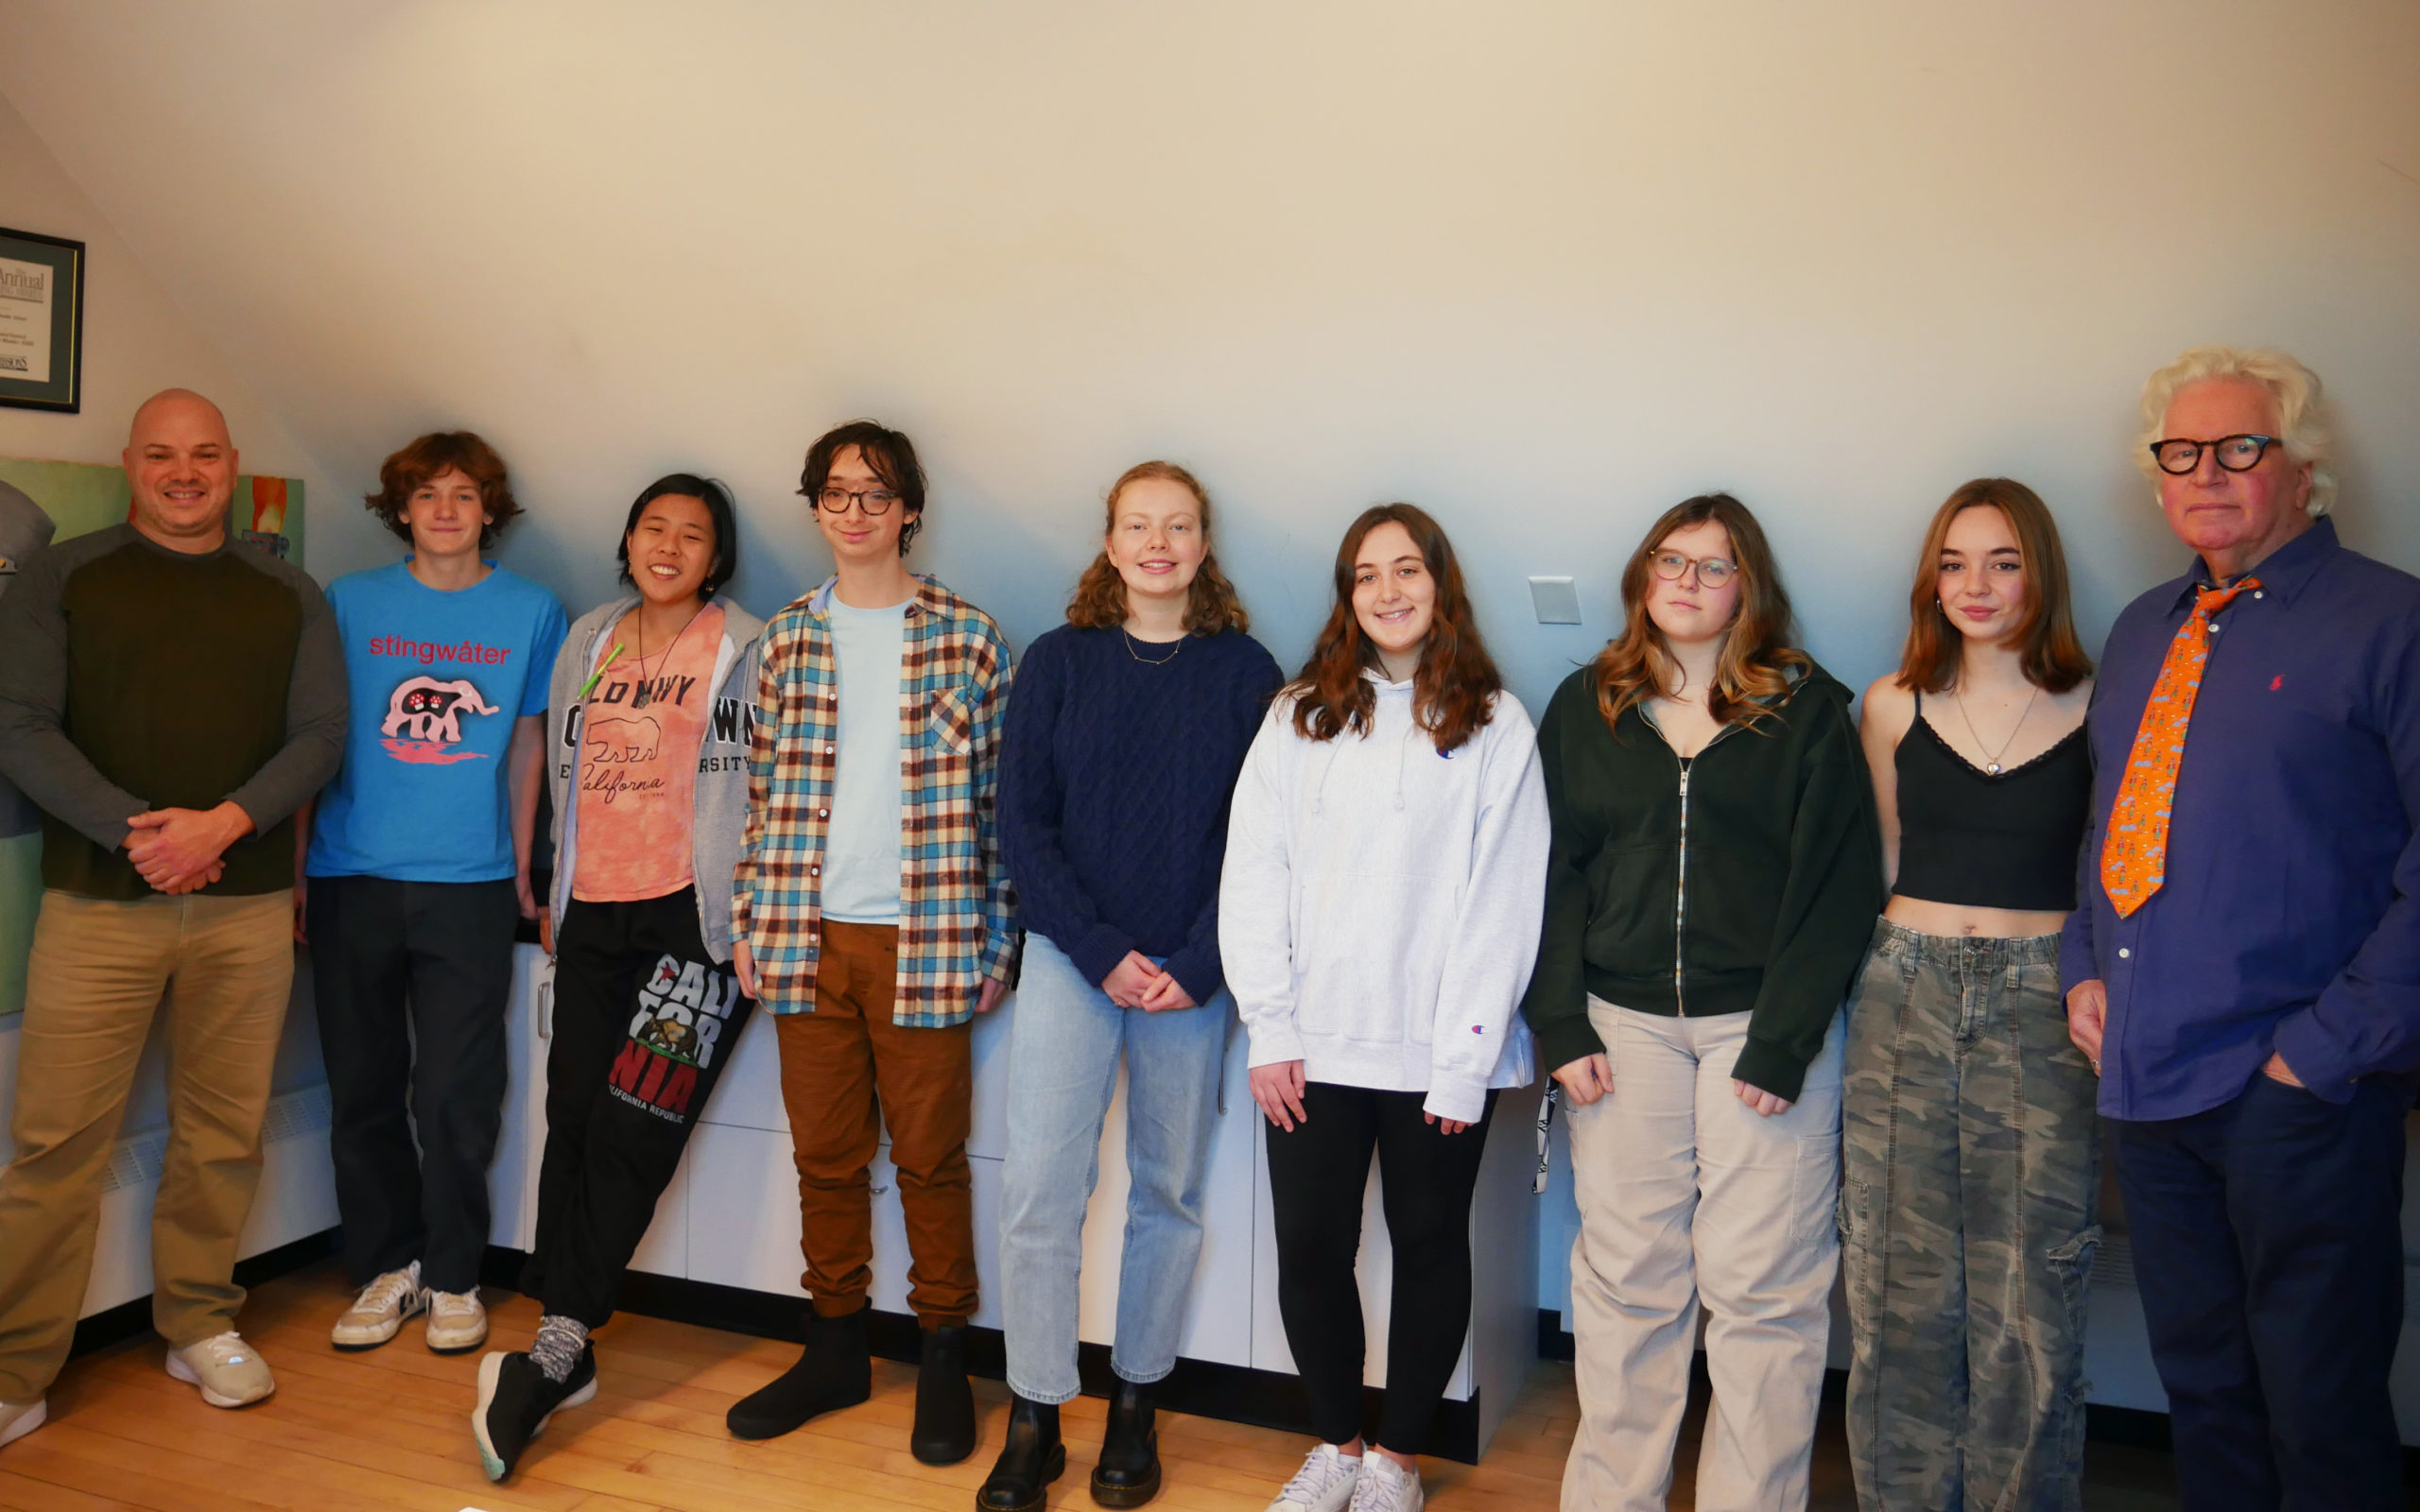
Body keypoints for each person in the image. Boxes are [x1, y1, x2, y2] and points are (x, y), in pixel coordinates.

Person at [2064, 346, 2420, 1510]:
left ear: (2301, 468)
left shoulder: (2389, 621)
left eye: (2239, 447)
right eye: (2182, 453)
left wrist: (2317, 1053)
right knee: (2204, 1390)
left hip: (2302, 1092)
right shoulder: (2138, 631)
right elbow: (2109, 821)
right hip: (2147, 1076)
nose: (2206, 473)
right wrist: (2083, 966)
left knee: (2318, 1407)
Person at [1522, 492, 1880, 1512]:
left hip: (1759, 1031)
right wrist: (1559, 1022)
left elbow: (1836, 887)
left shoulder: (1805, 712)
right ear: (1642, 577)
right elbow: (1547, 876)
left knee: (1763, 1292)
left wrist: (1782, 1043)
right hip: (1617, 1028)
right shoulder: (1584, 706)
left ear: (1746, 588)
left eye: (1711, 566)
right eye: (1668, 561)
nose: (1685, 582)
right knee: (1626, 1285)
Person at [0, 389, 344, 1446]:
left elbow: (321, 734)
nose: (183, 472)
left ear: (232, 464)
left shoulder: (287, 590)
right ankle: (17, 1370)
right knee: (55, 1144)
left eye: (202, 454)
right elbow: (19, 724)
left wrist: (224, 826)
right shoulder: (65, 575)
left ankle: (199, 1323)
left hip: (242, 912)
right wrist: (141, 834)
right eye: (162, 454)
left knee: (221, 1135)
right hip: (98, 904)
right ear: (129, 463)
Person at [1222, 504, 1547, 1512]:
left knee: (1428, 1247)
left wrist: (1463, 1059)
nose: (1388, 591)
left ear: (1440, 586)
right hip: (1312, 1047)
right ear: (1346, 595)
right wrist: (1268, 1026)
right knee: (1311, 1251)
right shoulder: (1297, 714)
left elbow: (1505, 899)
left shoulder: (1495, 720)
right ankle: (1338, 1448)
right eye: (1366, 574)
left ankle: (1398, 1464)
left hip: (1437, 1055)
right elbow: (1252, 874)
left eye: (1407, 570)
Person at [982, 462, 1282, 1512]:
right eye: (1138, 525)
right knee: (1040, 1195)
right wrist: (1102, 947)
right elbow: (1024, 825)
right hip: (1074, 958)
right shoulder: (1058, 663)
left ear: (1204, 546)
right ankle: (1033, 1414)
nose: (1159, 542)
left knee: (1168, 1192)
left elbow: (1264, 841)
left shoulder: (1247, 673)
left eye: (1180, 526)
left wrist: (1197, 963)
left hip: (1193, 976)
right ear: (1108, 545)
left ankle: (1135, 1406)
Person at [724, 421, 1018, 1467]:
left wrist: (998, 940)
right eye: (837, 494)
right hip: (805, 938)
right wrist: (751, 919)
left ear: (910, 511)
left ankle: (945, 1353)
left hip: (928, 939)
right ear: (814, 508)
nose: (856, 512)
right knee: (825, 1158)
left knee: (932, 1158)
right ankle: (835, 1344)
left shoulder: (971, 640)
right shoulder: (787, 639)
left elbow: (1002, 808)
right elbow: (763, 798)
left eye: (876, 494)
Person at [471, 474, 765, 1480]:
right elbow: (561, 766)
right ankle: (566, 1334)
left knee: (641, 1118)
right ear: (628, 540)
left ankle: (556, 1342)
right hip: (592, 907)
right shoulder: (591, 635)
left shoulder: (745, 644)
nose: (670, 546)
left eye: (692, 535)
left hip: (696, 918)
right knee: (577, 1113)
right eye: (653, 528)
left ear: (715, 558)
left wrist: (751, 912)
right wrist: (551, 881)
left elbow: (764, 781)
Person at [1843, 479, 2098, 1511]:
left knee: (2031, 1282)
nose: (1975, 584)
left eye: (2002, 561)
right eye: (1954, 562)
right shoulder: (1889, 702)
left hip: (2044, 1001)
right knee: (1895, 1278)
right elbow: (1883, 862)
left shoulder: (2101, 702)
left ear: (2040, 571)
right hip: (1904, 990)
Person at [304, 432, 565, 1358]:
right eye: (426, 494)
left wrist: (525, 866)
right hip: (351, 875)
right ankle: (386, 1266)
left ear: (490, 508)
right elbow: (319, 738)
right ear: (401, 510)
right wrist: (301, 868)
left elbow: (528, 744)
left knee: (457, 1091)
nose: (446, 509)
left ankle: (455, 1272)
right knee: (363, 1086)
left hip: (472, 882)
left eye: (464, 493)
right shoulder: (349, 601)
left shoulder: (532, 610)